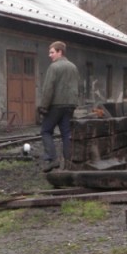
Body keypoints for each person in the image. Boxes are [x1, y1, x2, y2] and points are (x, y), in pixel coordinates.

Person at [39, 40, 80, 171]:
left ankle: (52, 159)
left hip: (56, 105)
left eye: (52, 52)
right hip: (70, 105)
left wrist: (43, 106)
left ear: (59, 52)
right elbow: (77, 86)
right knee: (66, 134)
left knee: (46, 131)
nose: (49, 55)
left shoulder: (54, 67)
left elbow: (48, 88)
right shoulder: (73, 67)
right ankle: (69, 163)